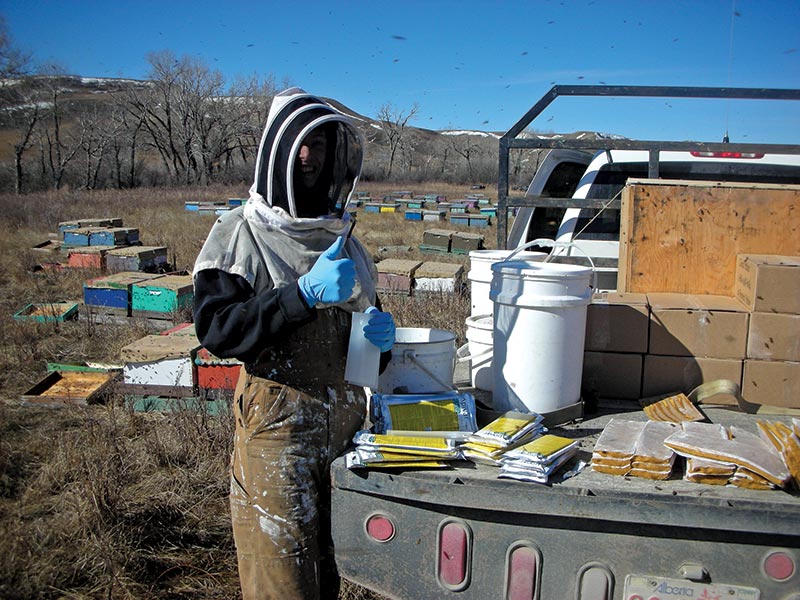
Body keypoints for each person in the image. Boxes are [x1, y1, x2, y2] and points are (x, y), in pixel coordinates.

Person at [192, 87, 396, 600]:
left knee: (334, 573)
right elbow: (219, 330)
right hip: (277, 433)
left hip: (345, 432)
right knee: (280, 579)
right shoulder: (240, 233)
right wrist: (299, 296)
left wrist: (383, 342)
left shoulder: (346, 242)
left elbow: (365, 351)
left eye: (322, 146)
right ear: (277, 151)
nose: (310, 158)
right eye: (302, 145)